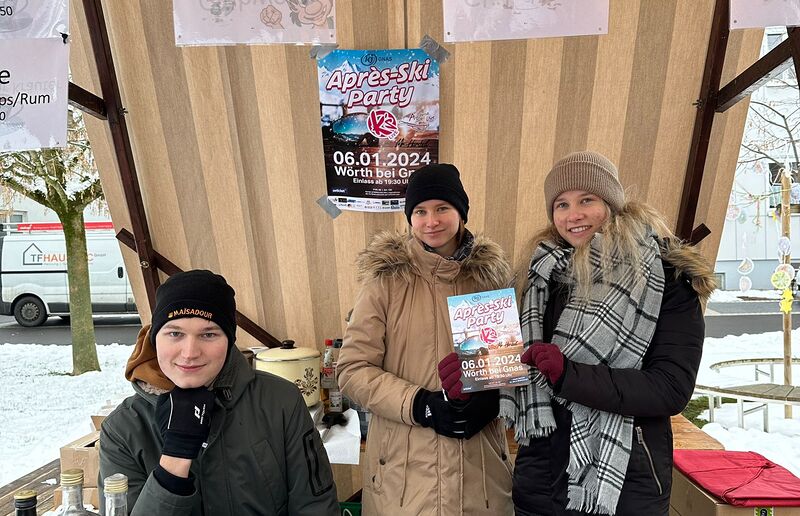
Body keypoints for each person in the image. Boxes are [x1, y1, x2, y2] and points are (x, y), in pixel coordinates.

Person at [503, 151, 716, 515]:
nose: (574, 215)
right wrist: (475, 372)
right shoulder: (538, 277)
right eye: (561, 204)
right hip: (541, 481)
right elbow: (517, 372)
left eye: (587, 200)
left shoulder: (665, 277)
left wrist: (570, 376)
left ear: (612, 203)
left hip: (623, 484)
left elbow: (670, 388)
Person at [337, 163, 515, 515]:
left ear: (461, 212)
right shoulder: (385, 281)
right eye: (420, 211)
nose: (431, 221)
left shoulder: (491, 279)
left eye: (442, 208)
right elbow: (352, 370)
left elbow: (503, 366)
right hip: (403, 479)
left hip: (478, 475)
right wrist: (420, 404)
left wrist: (491, 401)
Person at [98, 270, 339, 515]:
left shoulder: (280, 402)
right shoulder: (122, 429)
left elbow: (316, 506)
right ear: (154, 338)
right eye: (175, 333)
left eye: (208, 334)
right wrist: (174, 459)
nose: (190, 352)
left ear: (229, 340)